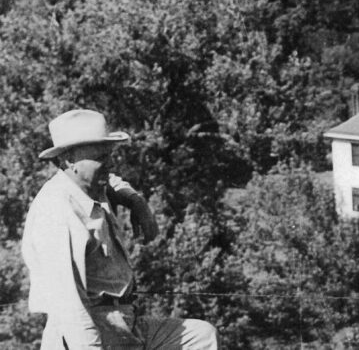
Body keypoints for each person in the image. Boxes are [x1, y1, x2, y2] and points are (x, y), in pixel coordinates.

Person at [22, 109, 218, 349]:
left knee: (199, 336)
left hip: (124, 321)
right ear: (68, 160)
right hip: (86, 328)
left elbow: (112, 180)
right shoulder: (56, 212)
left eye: (110, 155)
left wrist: (136, 201)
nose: (110, 164)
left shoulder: (88, 183)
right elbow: (68, 305)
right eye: (101, 157)